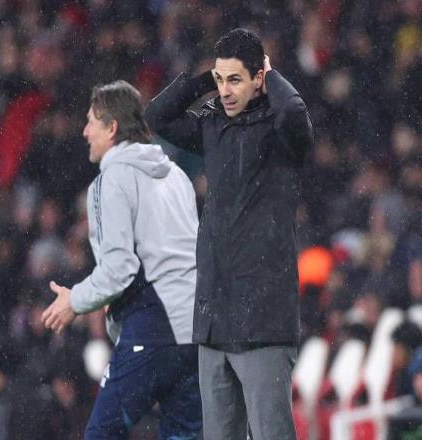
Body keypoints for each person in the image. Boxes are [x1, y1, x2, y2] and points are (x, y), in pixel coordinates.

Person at [146, 28, 314, 440]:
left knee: (272, 435)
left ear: (259, 78)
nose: (224, 91)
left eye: (235, 80)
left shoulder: (281, 130)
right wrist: (207, 78)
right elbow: (157, 116)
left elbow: (295, 113)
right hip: (215, 320)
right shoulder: (213, 124)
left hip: (264, 321)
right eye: (220, 80)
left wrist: (273, 76)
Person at [41, 80, 202, 439]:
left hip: (154, 324)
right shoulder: (177, 175)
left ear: (112, 128)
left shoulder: (111, 180)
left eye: (91, 122)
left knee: (101, 433)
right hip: (197, 329)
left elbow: (119, 269)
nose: (85, 131)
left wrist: (74, 300)